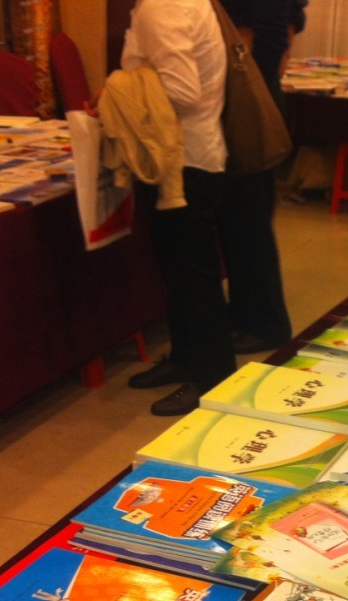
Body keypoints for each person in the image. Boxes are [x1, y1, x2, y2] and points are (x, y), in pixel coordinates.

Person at [121, 0, 235, 415]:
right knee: (180, 274)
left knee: (194, 278)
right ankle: (186, 359)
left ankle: (212, 378)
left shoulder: (162, 6)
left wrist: (120, 92)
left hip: (183, 162)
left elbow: (183, 92)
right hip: (186, 157)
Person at [217, 0, 308, 355]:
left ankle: (264, 324)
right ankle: (245, 314)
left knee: (248, 219)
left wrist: (247, 79)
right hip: (249, 92)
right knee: (239, 220)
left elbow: (272, 37)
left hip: (248, 100)